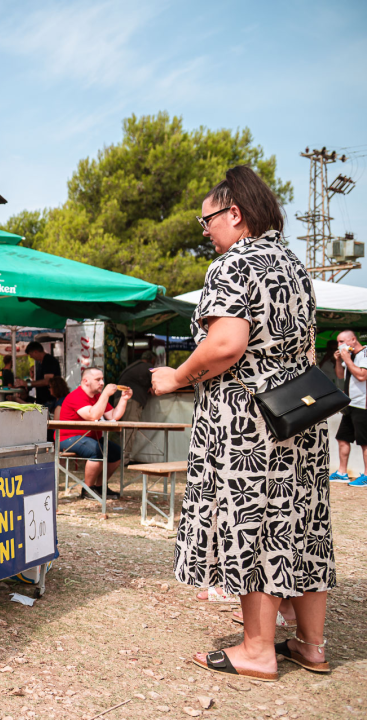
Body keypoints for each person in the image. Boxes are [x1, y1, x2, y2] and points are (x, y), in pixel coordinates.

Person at [151, 165, 334, 681]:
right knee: (300, 523)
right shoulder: (295, 267)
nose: (204, 230)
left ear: (235, 214)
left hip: (245, 422)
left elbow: (226, 344)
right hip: (300, 414)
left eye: (206, 219)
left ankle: (257, 650)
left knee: (252, 526)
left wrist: (179, 376)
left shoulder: (235, 264)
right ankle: (311, 644)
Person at [57, 367, 131, 498]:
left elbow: (113, 415)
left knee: (116, 452)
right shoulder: (76, 395)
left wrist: (124, 399)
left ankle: (100, 487)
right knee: (97, 451)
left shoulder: (98, 397)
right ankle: (88, 489)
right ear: (86, 381)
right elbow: (92, 415)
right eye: (98, 379)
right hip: (68, 438)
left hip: (89, 438)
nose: (102, 383)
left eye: (102, 379)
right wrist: (106, 395)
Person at [332, 329, 367, 485]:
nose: (339, 345)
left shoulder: (365, 354)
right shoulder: (350, 357)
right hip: (350, 404)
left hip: (363, 405)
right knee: (343, 438)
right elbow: (340, 376)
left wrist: (347, 358)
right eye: (338, 342)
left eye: (342, 341)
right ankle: (342, 472)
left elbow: (361, 375)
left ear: (353, 340)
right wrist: (340, 360)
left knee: (364, 441)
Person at [115, 350, 157, 462]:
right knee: (130, 428)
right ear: (152, 360)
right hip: (131, 399)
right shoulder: (148, 367)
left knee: (123, 429)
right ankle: (124, 458)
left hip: (119, 397)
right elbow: (158, 383)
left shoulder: (132, 366)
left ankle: (121, 457)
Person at [14, 341, 61, 407]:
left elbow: (47, 381)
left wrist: (27, 384)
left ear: (35, 352)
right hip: (43, 400)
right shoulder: (40, 363)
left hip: (50, 400)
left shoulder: (49, 360)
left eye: (31, 354)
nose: (31, 357)